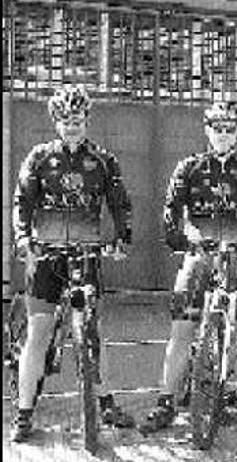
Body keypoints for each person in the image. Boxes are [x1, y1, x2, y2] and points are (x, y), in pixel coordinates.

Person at [11, 85, 134, 441]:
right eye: (64, 121)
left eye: (76, 120)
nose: (70, 127)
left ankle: (104, 401)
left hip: (86, 255)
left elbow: (120, 204)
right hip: (46, 257)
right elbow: (22, 202)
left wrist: (121, 238)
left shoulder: (104, 161)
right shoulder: (38, 158)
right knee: (39, 333)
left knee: (92, 330)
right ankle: (24, 411)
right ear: (55, 122)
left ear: (87, 121)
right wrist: (23, 238)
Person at [139, 101, 237, 433]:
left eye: (230, 129)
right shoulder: (189, 168)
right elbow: (173, 210)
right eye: (217, 128)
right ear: (206, 130)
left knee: (230, 332)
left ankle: (216, 394)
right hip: (199, 258)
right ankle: (166, 401)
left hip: (236, 260)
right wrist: (179, 238)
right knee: (182, 329)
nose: (223, 134)